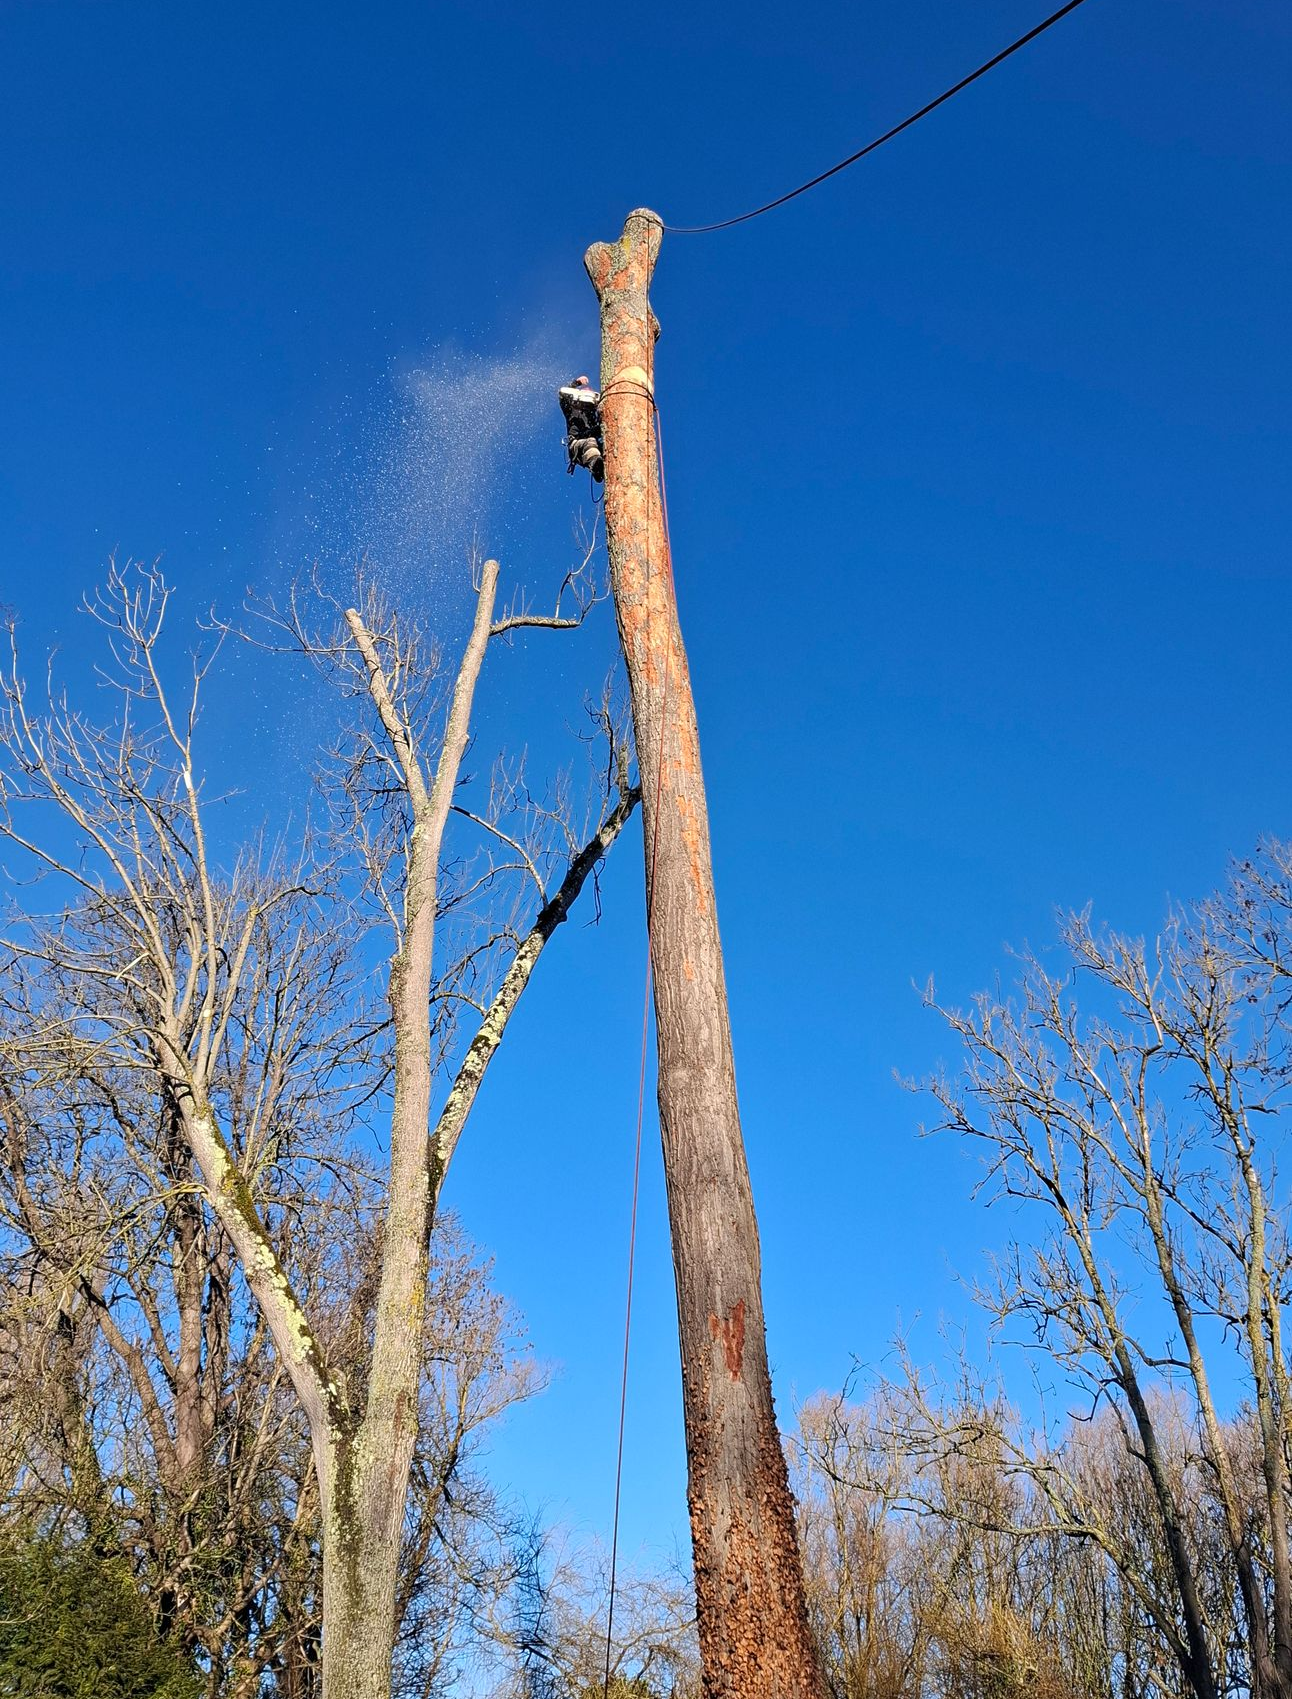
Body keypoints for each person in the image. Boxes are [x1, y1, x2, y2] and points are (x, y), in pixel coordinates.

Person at [557, 375, 604, 482]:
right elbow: (562, 396)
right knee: (590, 442)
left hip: (596, 444)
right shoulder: (572, 409)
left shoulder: (594, 414)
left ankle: (600, 469)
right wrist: (576, 383)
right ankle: (595, 465)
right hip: (577, 444)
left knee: (603, 445)